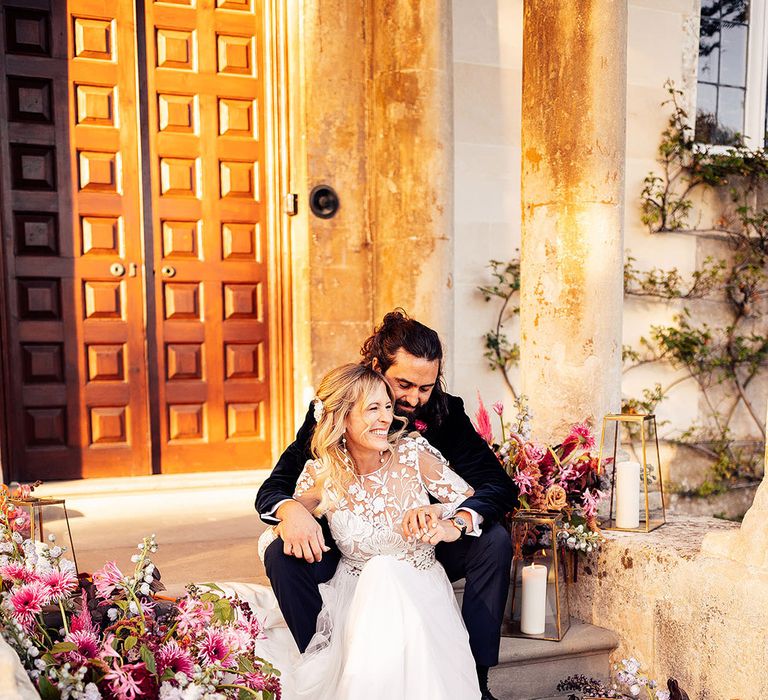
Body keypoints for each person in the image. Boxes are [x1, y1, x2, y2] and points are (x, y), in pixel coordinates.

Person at [256, 310, 517, 700]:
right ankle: (323, 664)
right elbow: (277, 485)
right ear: (378, 368)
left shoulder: (444, 415)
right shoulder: (337, 409)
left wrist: (456, 520)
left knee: (493, 540)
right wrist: (291, 511)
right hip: (352, 547)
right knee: (281, 553)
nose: (413, 400)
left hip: (424, 544)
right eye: (404, 385)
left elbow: (496, 485)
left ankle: (476, 679)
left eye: (426, 388)